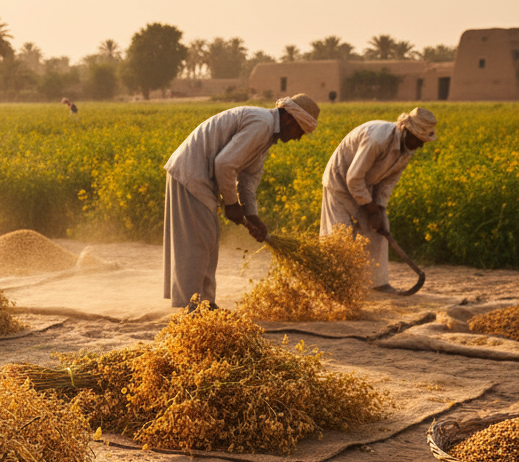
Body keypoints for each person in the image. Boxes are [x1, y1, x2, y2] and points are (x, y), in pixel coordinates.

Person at [163, 93, 321, 309]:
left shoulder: (266, 135)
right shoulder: (262, 124)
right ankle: (192, 306)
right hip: (192, 174)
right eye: (299, 131)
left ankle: (205, 303)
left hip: (198, 176)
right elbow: (225, 164)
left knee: (207, 241)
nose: (298, 138)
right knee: (198, 243)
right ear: (288, 119)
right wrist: (231, 205)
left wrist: (252, 215)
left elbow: (248, 180)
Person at [319, 107, 436, 291]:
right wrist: (370, 209)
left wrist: (379, 209)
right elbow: (353, 178)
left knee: (380, 229)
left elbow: (388, 182)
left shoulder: (407, 148)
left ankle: (377, 283)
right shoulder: (378, 139)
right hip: (340, 181)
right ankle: (332, 284)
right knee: (339, 234)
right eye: (420, 140)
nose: (421, 145)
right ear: (408, 131)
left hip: (365, 184)